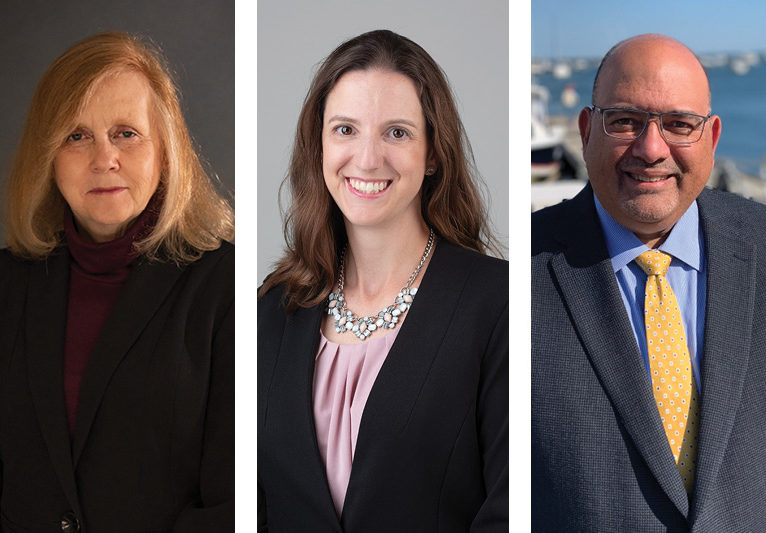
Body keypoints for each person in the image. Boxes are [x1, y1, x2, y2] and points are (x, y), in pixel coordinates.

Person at [258, 29, 508, 531]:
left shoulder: (498, 304)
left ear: (433, 153)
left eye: (396, 132)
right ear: (319, 145)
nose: (367, 158)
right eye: (345, 130)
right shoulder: (270, 311)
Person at [0, 32, 234, 531]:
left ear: (165, 152)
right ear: (50, 158)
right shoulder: (8, 282)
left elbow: (234, 503)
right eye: (76, 135)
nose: (103, 158)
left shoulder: (227, 288)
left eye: (126, 133)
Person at [532, 33, 766, 530]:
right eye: (625, 122)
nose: (651, 148)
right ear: (585, 130)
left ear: (713, 138)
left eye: (679, 124)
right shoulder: (516, 275)